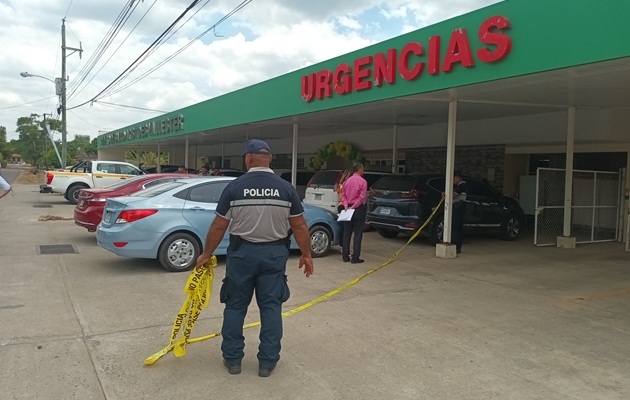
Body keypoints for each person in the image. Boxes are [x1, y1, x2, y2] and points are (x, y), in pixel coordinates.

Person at [196, 139, 314, 378]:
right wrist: (306, 254)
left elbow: (219, 226)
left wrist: (206, 254)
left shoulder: (234, 187)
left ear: (248, 158)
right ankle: (267, 363)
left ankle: (233, 360)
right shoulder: (286, 188)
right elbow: (300, 226)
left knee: (235, 306)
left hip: (242, 255)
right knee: (271, 308)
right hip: (274, 255)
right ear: (269, 159)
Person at [341, 163, 367, 264]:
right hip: (358, 209)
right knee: (358, 233)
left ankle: (345, 256)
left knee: (346, 233)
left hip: (347, 209)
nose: (363, 171)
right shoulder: (363, 182)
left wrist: (346, 205)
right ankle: (355, 257)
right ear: (359, 169)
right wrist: (354, 206)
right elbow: (361, 197)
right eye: (363, 169)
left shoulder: (347, 181)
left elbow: (343, 195)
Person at [443, 171, 468, 254]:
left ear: (458, 177)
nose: (453, 180)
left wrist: (445, 194)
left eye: (453, 178)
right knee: (458, 228)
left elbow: (453, 196)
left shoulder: (461, 186)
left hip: (457, 208)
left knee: (455, 227)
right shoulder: (461, 186)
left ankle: (456, 245)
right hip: (459, 207)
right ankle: (458, 246)